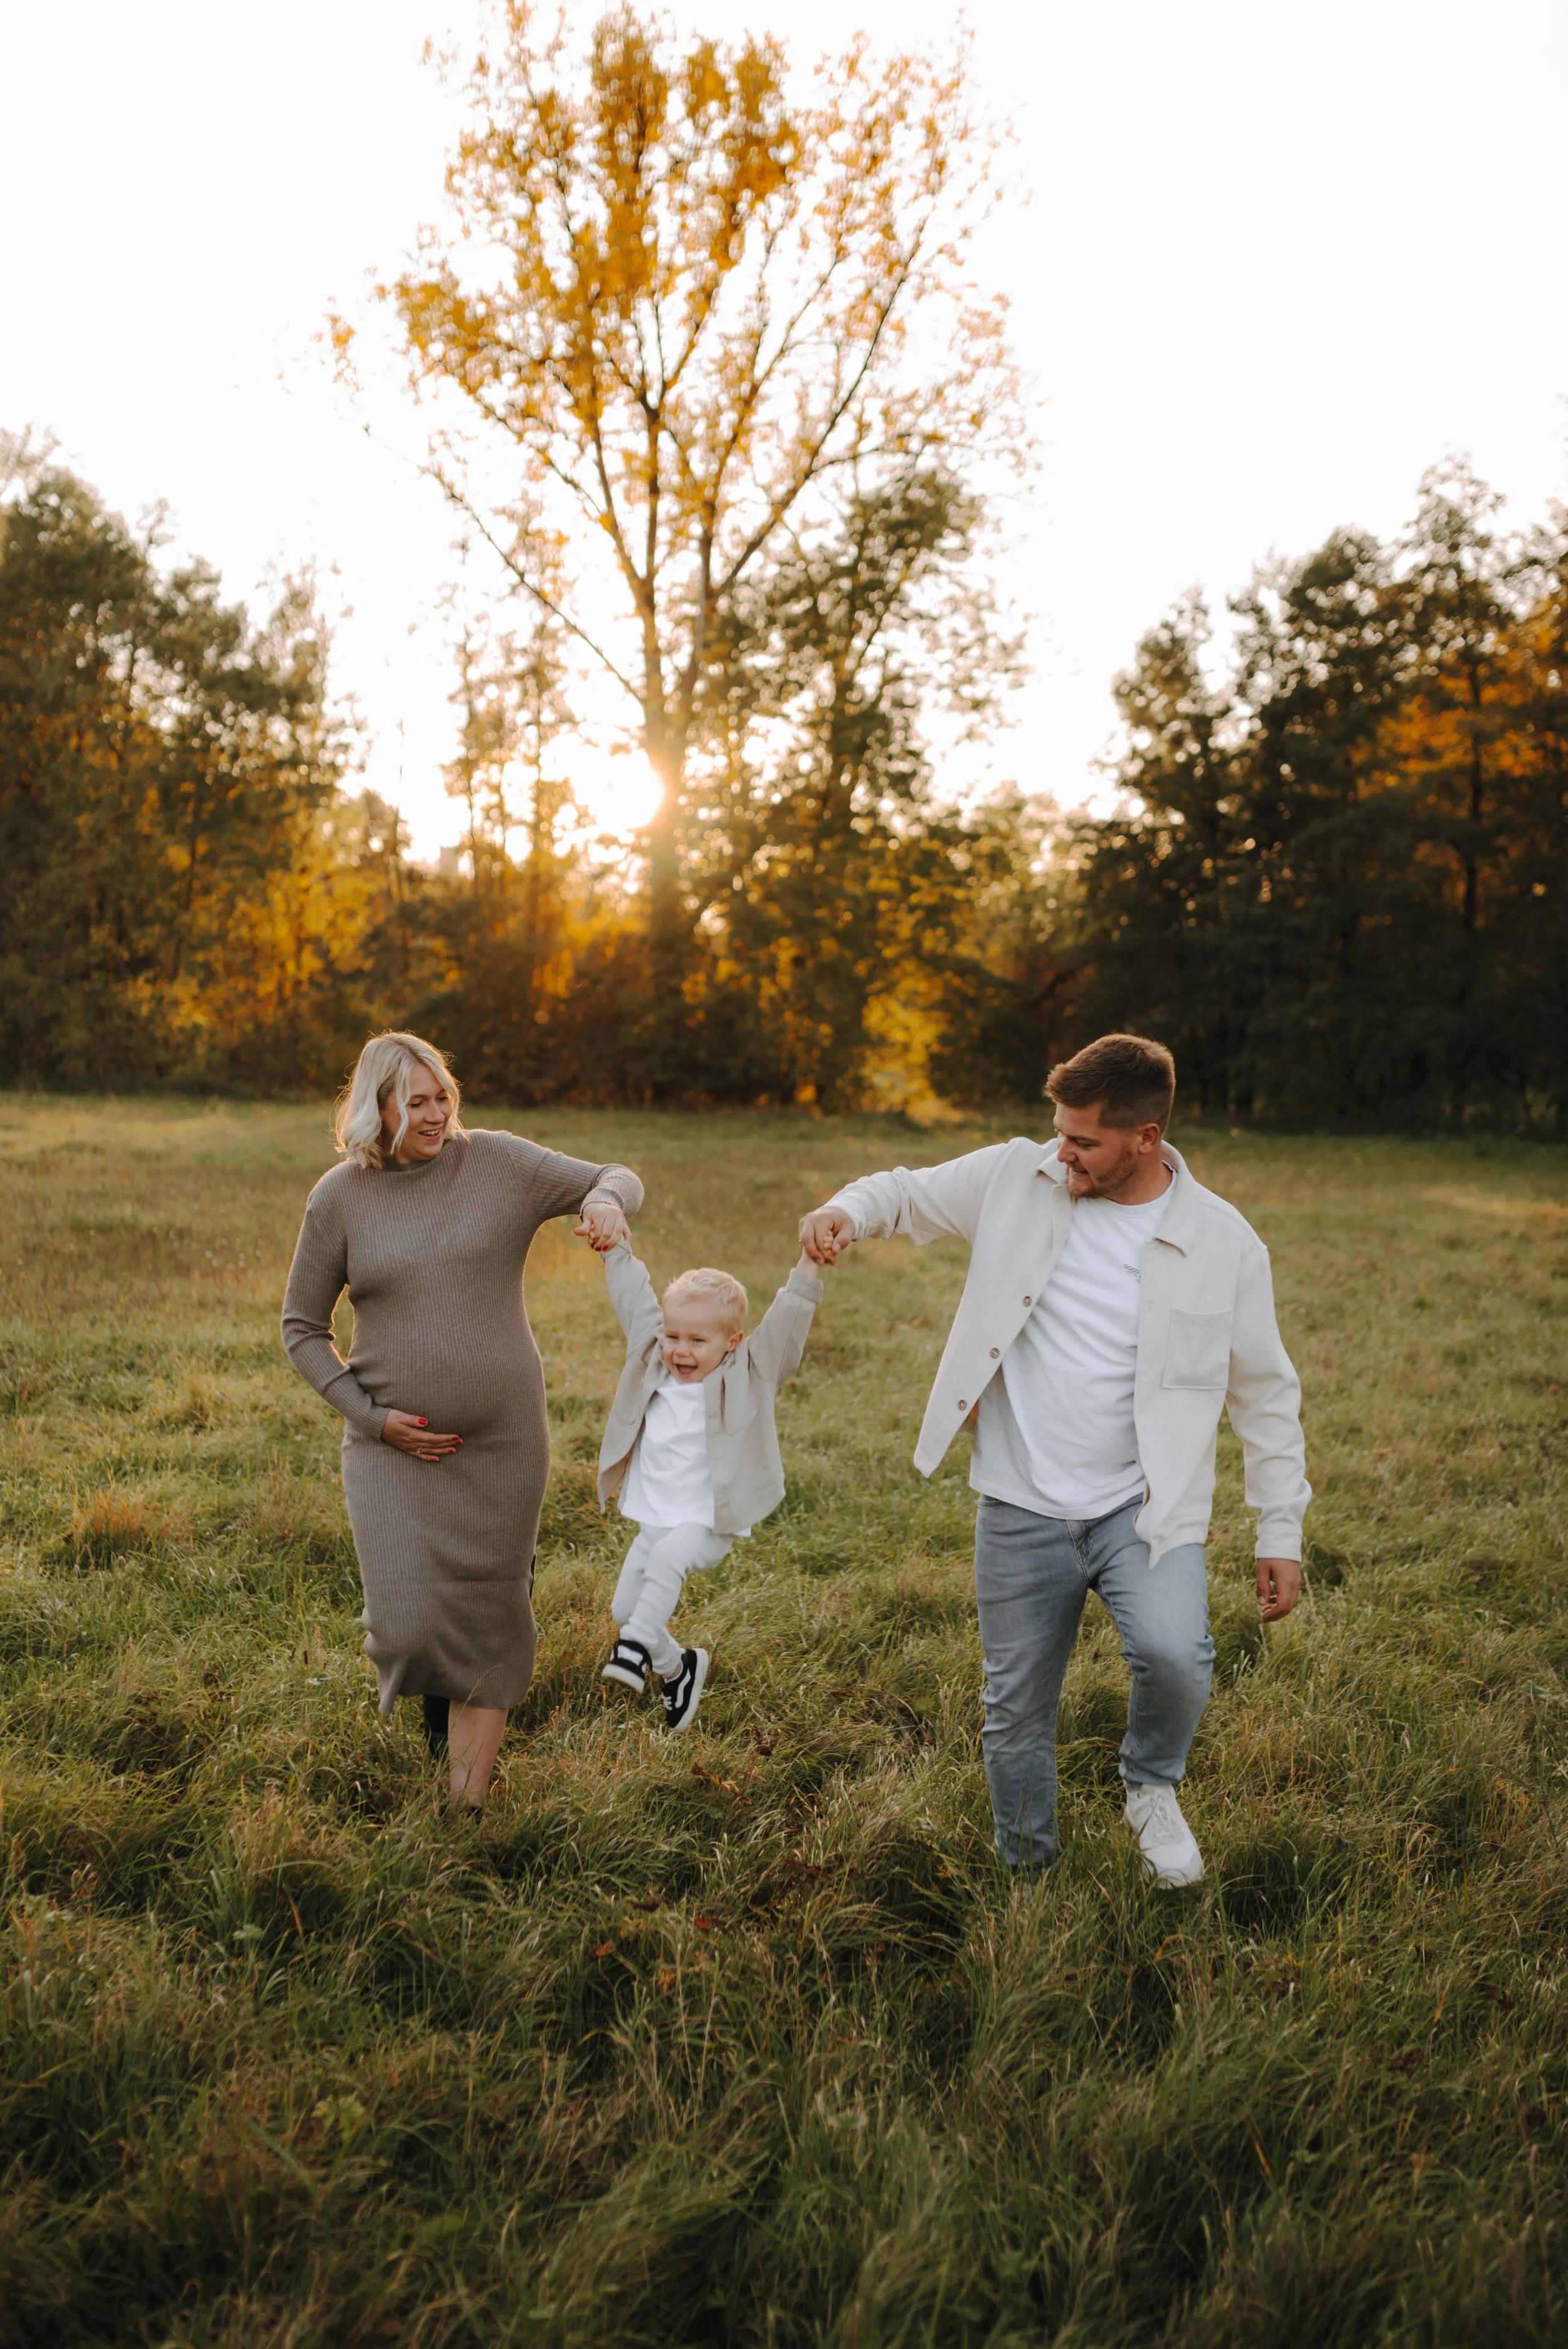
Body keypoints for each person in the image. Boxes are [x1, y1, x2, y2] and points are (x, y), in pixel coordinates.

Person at [798, 1032, 1309, 1886]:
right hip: (1021, 1500)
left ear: (1146, 1138)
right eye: (1059, 1131)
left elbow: (1265, 1391)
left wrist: (1280, 1527)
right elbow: (903, 1192)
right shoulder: (1017, 1175)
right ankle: (1029, 1873)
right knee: (1016, 1711)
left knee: (1179, 1656)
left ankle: (1150, 1784)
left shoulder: (1225, 1243)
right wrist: (845, 1211)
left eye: (1084, 1141)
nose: (1060, 1154)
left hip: (1144, 1507)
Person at [281, 1031, 643, 1808]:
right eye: (417, 1101)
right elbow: (302, 1329)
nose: (438, 1112)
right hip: (392, 1451)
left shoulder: (500, 1163)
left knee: (489, 1614)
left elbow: (614, 1176)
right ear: (377, 1107)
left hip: (503, 1441)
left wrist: (607, 1200)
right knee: (408, 1627)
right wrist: (373, 1420)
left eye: (443, 1094)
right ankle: (438, 1716)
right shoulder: (340, 1197)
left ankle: (463, 1809)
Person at [594, 1239, 827, 1732]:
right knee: (624, 1607)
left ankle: (634, 1649)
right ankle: (679, 1668)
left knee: (667, 1562)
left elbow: (786, 1323)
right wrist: (614, 1247)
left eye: (698, 1341)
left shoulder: (750, 1370)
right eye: (674, 1335)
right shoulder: (655, 1360)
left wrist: (809, 1264)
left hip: (709, 1519)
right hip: (657, 1518)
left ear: (733, 1341)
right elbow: (634, 1298)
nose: (681, 1349)